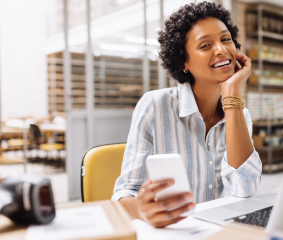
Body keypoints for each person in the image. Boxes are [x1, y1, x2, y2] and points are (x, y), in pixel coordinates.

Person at [112, 1, 262, 228]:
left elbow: (245, 189)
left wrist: (231, 93)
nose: (221, 50)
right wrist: (141, 208)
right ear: (183, 61)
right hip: (174, 230)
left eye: (225, 39)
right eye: (205, 45)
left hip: (219, 229)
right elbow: (125, 193)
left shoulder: (239, 114)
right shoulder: (155, 106)